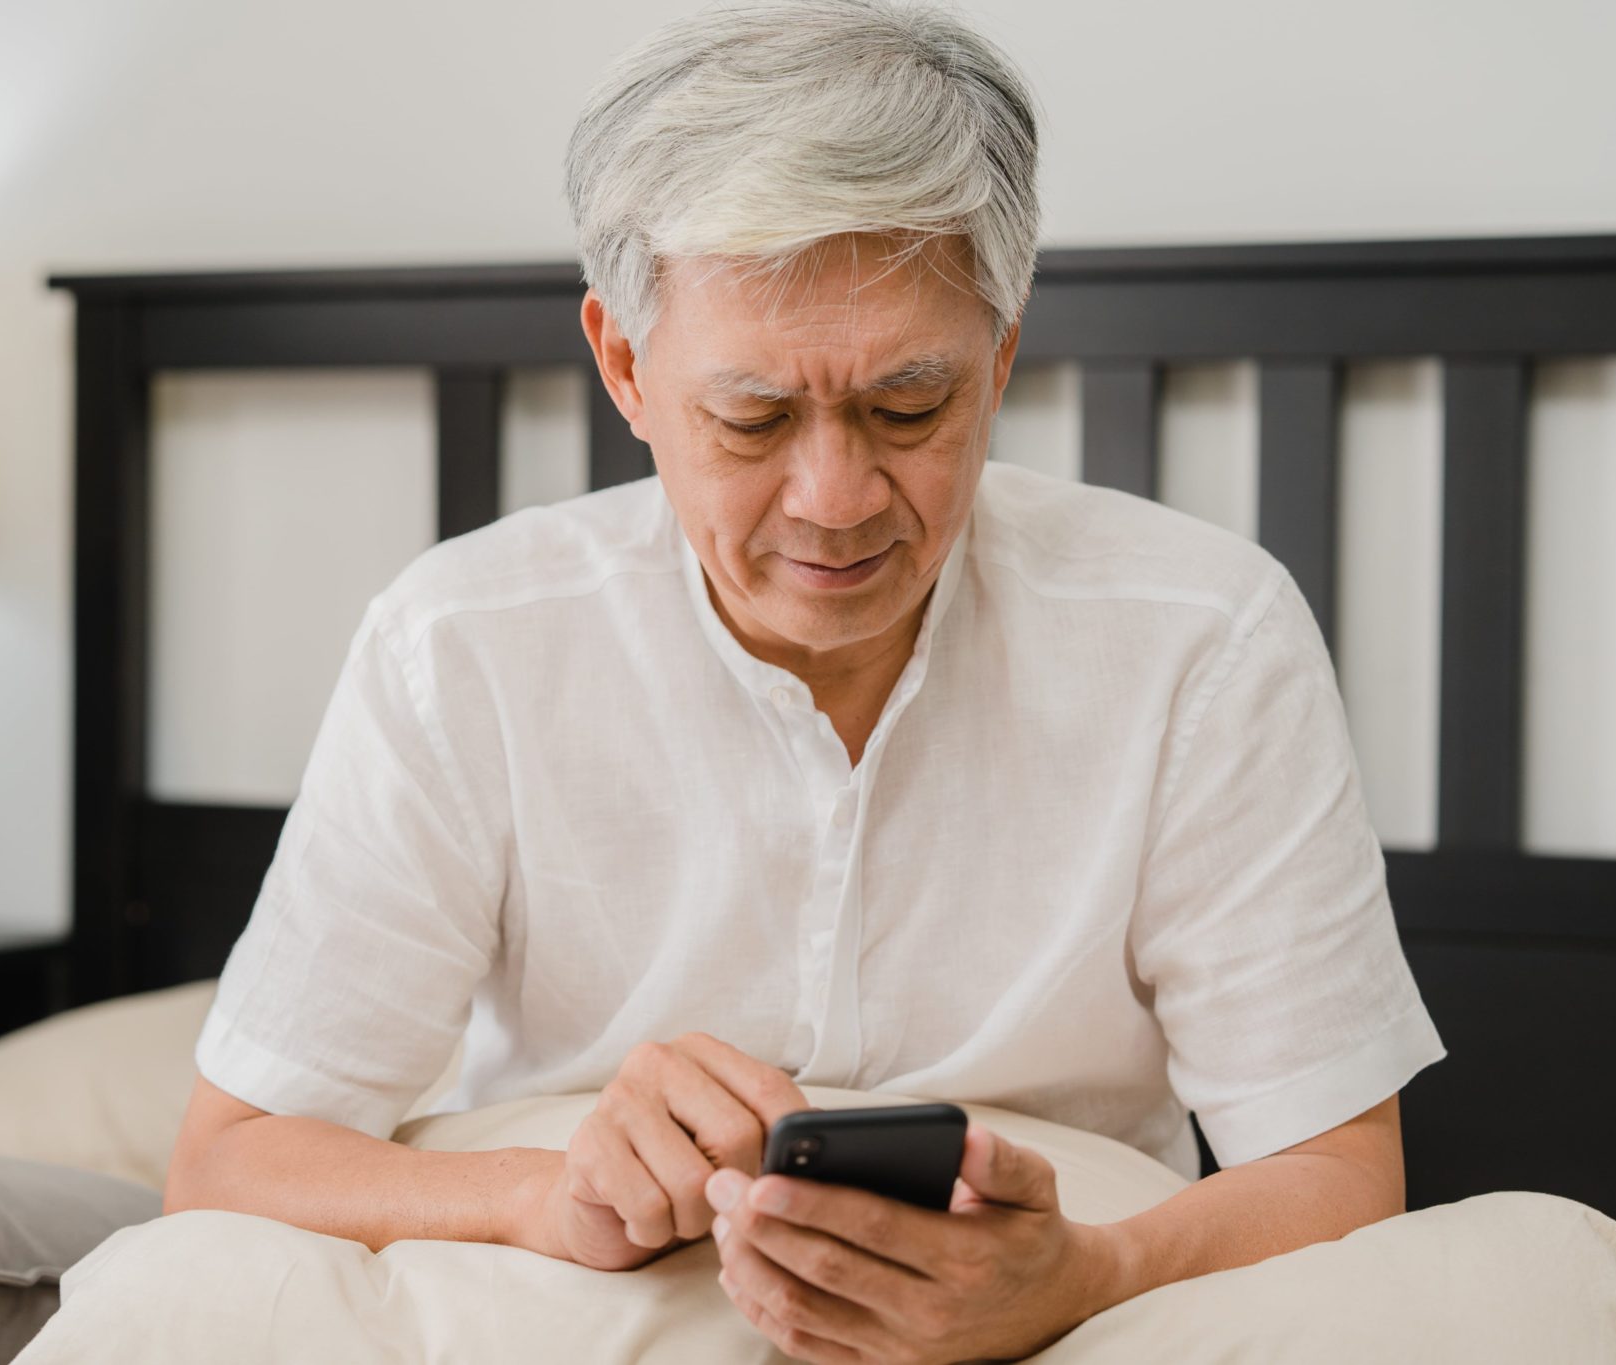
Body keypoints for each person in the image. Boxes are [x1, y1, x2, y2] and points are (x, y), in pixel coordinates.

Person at [163, 1, 1447, 1358]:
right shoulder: (461, 643)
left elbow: (1339, 1172)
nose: (834, 501)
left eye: (910, 409)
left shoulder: (1204, 639)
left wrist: (1083, 1273)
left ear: (1001, 356)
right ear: (625, 366)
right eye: (753, 416)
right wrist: (549, 1190)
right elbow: (229, 1156)